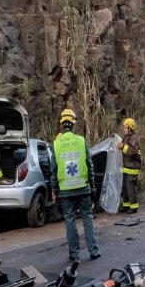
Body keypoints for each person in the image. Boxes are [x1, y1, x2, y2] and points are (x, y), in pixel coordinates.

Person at [50, 109, 100, 261]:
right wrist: (92, 185)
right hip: (82, 187)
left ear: (61, 125)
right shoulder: (81, 141)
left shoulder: (56, 144)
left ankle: (74, 254)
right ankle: (93, 251)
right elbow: (89, 165)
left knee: (70, 220)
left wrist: (53, 190)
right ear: (72, 124)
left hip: (65, 190)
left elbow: (53, 169)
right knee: (87, 217)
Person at [118, 118, 141, 214]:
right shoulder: (125, 137)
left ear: (130, 128)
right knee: (125, 188)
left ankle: (134, 206)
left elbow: (132, 151)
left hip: (132, 168)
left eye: (125, 127)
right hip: (126, 168)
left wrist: (123, 147)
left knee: (131, 188)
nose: (124, 129)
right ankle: (126, 205)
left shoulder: (133, 138)